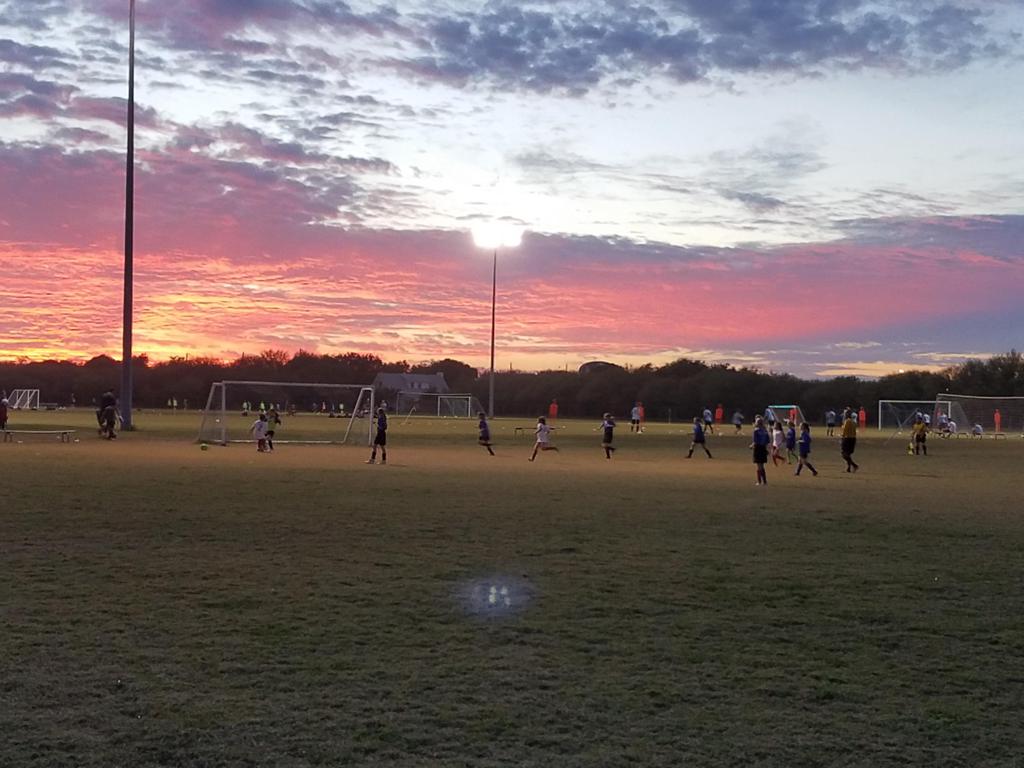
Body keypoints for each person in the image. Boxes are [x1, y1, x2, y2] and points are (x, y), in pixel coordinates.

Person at [750, 416, 770, 485]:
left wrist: (751, 446)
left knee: (759, 466)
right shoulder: (765, 431)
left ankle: (759, 481)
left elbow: (755, 441)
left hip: (758, 448)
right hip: (763, 448)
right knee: (762, 465)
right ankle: (764, 481)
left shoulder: (756, 431)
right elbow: (767, 441)